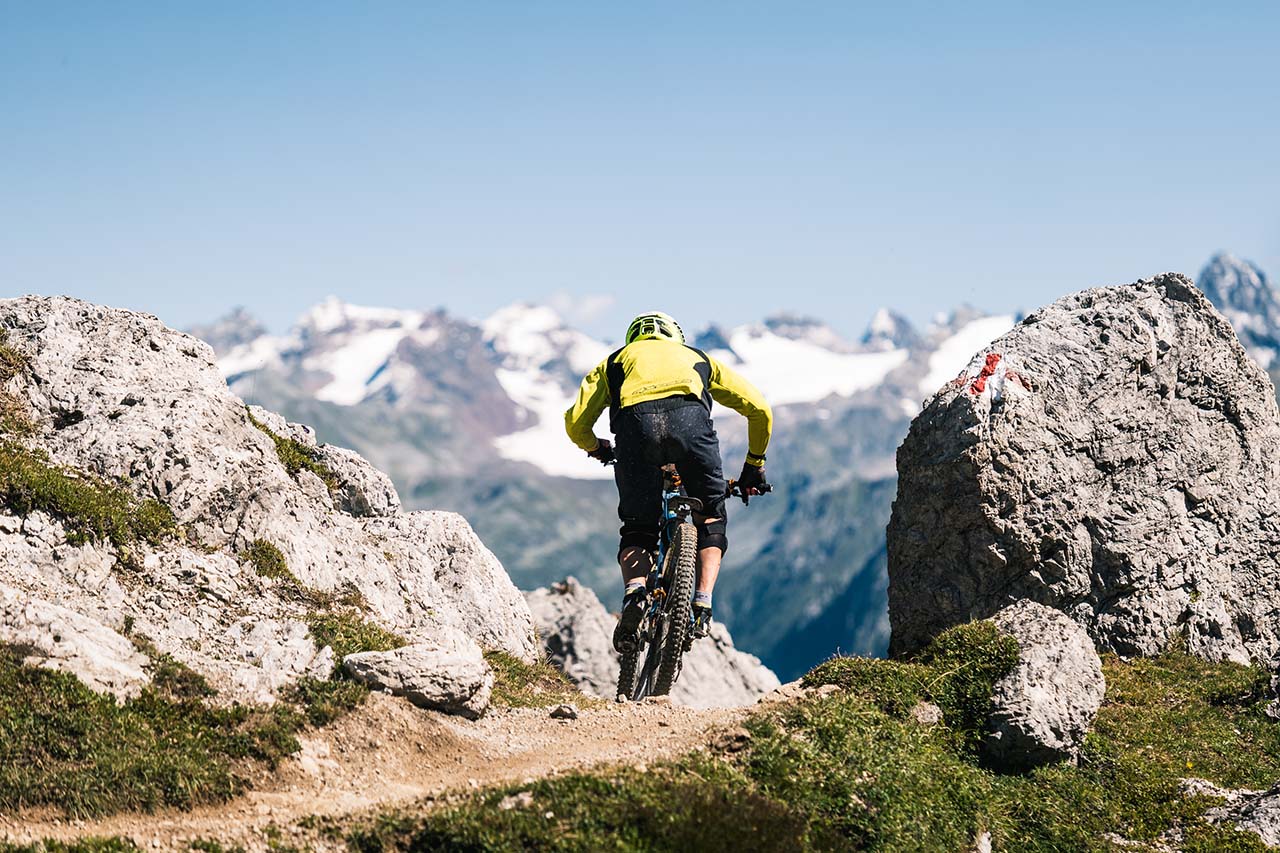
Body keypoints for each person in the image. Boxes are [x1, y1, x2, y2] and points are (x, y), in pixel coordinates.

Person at [564, 311, 772, 651]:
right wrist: (754, 465)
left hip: (635, 431)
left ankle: (635, 592)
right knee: (711, 518)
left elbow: (576, 424)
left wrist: (597, 448)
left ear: (634, 337)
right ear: (677, 336)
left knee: (638, 528)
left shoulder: (615, 361)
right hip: (691, 426)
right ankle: (702, 601)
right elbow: (760, 409)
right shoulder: (698, 358)